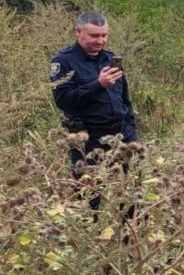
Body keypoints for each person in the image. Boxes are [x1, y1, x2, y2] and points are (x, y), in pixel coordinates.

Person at [51, 11, 137, 176]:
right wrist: (98, 84)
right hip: (88, 139)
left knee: (130, 187)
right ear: (78, 32)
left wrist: (131, 127)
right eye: (94, 36)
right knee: (88, 195)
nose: (100, 41)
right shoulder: (63, 61)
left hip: (122, 134)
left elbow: (124, 97)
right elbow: (63, 100)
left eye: (104, 35)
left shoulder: (110, 58)